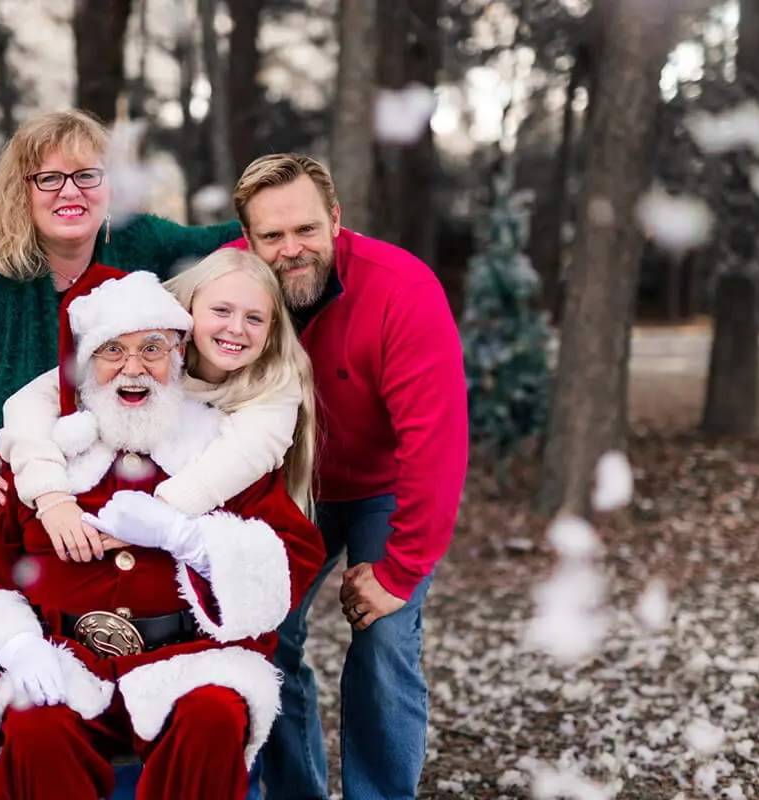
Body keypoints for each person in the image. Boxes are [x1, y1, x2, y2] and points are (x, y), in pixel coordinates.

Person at [0, 108, 241, 800]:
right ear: (21, 187)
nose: (69, 190)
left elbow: (221, 243)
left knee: (51, 651)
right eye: (49, 177)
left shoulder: (137, 241)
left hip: (44, 488)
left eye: (86, 174)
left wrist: (300, 236)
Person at [0, 270, 326, 799]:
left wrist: (192, 541)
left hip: (190, 661)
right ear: (84, 362)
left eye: (152, 348)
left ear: (179, 352)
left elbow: (291, 555)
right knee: (35, 727)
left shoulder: (219, 448)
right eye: (111, 350)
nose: (133, 368)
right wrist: (18, 644)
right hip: (66, 657)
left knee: (213, 716)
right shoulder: (43, 453)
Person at [229, 154, 469, 800]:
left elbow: (435, 442)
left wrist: (400, 568)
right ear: (247, 241)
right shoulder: (229, 286)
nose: (290, 250)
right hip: (283, 486)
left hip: (381, 487)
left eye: (305, 230)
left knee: (386, 636)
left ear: (335, 220)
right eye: (271, 237)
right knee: (258, 634)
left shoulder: (403, 290)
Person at [0, 248, 317, 568]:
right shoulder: (152, 338)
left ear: (272, 327)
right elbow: (31, 400)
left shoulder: (277, 380)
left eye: (254, 318)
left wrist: (158, 515)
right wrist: (51, 495)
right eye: (221, 310)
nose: (236, 328)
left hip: (237, 510)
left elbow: (247, 452)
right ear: (188, 311)